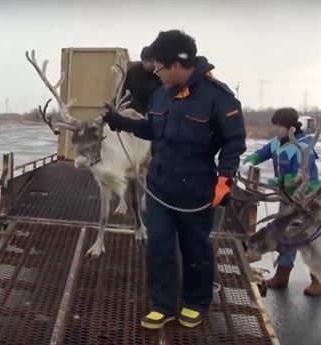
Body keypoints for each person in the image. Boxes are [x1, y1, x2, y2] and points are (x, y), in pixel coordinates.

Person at [103, 30, 246, 329]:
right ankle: (163, 304)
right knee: (159, 246)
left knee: (195, 248)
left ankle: (195, 301)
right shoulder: (160, 95)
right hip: (160, 186)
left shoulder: (217, 97)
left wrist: (226, 179)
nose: (156, 74)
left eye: (159, 68)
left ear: (177, 64)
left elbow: (234, 142)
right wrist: (122, 123)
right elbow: (153, 131)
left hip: (196, 188)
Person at [243, 107, 320, 296]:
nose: (276, 130)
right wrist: (252, 158)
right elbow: (264, 152)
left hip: (307, 199)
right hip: (287, 197)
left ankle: (317, 279)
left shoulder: (303, 147)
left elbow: (303, 174)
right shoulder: (277, 142)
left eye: (279, 126)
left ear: (290, 127)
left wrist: (284, 181)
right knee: (285, 235)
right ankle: (282, 274)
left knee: (310, 239)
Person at [123, 46, 163, 115]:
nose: (148, 64)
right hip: (135, 110)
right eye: (145, 61)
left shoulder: (160, 73)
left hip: (154, 110)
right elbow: (125, 91)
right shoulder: (133, 72)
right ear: (142, 60)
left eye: (151, 61)